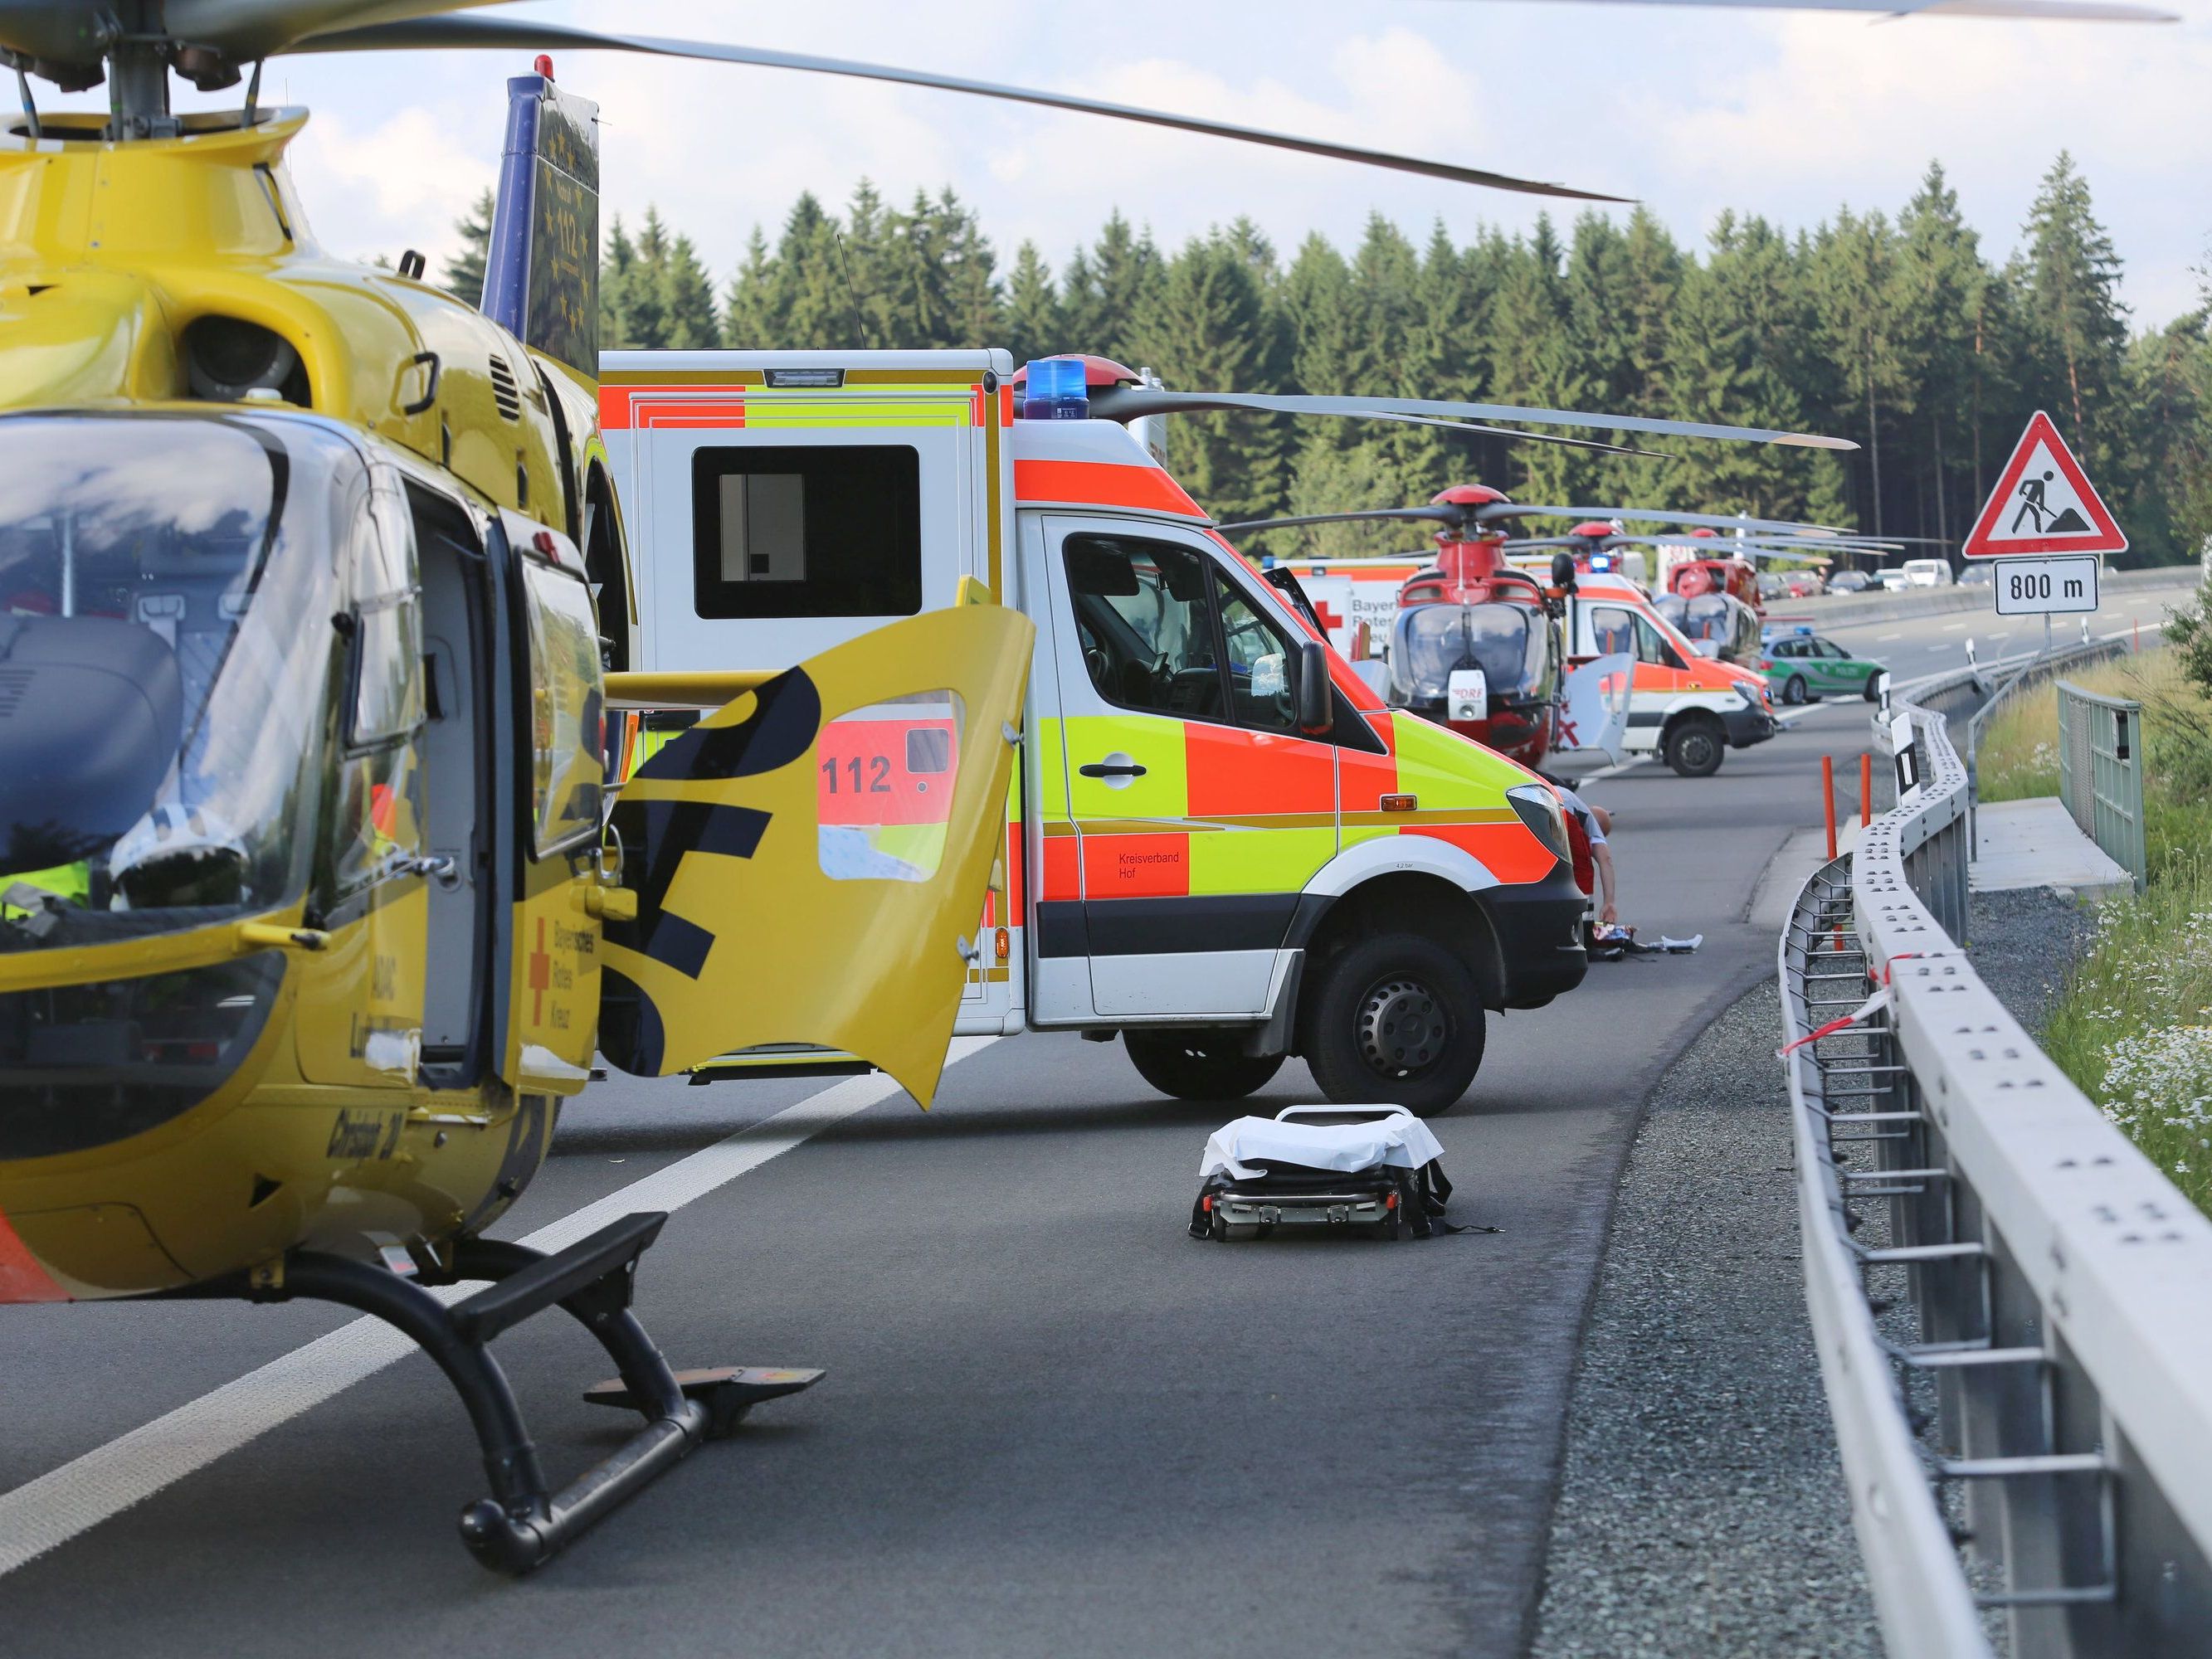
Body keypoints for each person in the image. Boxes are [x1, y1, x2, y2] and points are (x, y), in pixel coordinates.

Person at [1550, 782, 1616, 928]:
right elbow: (1606, 860)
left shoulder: (1577, 802)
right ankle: (1584, 927)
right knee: (1583, 870)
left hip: (1534, 800)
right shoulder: (1592, 827)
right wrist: (1609, 903)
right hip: (1561, 811)